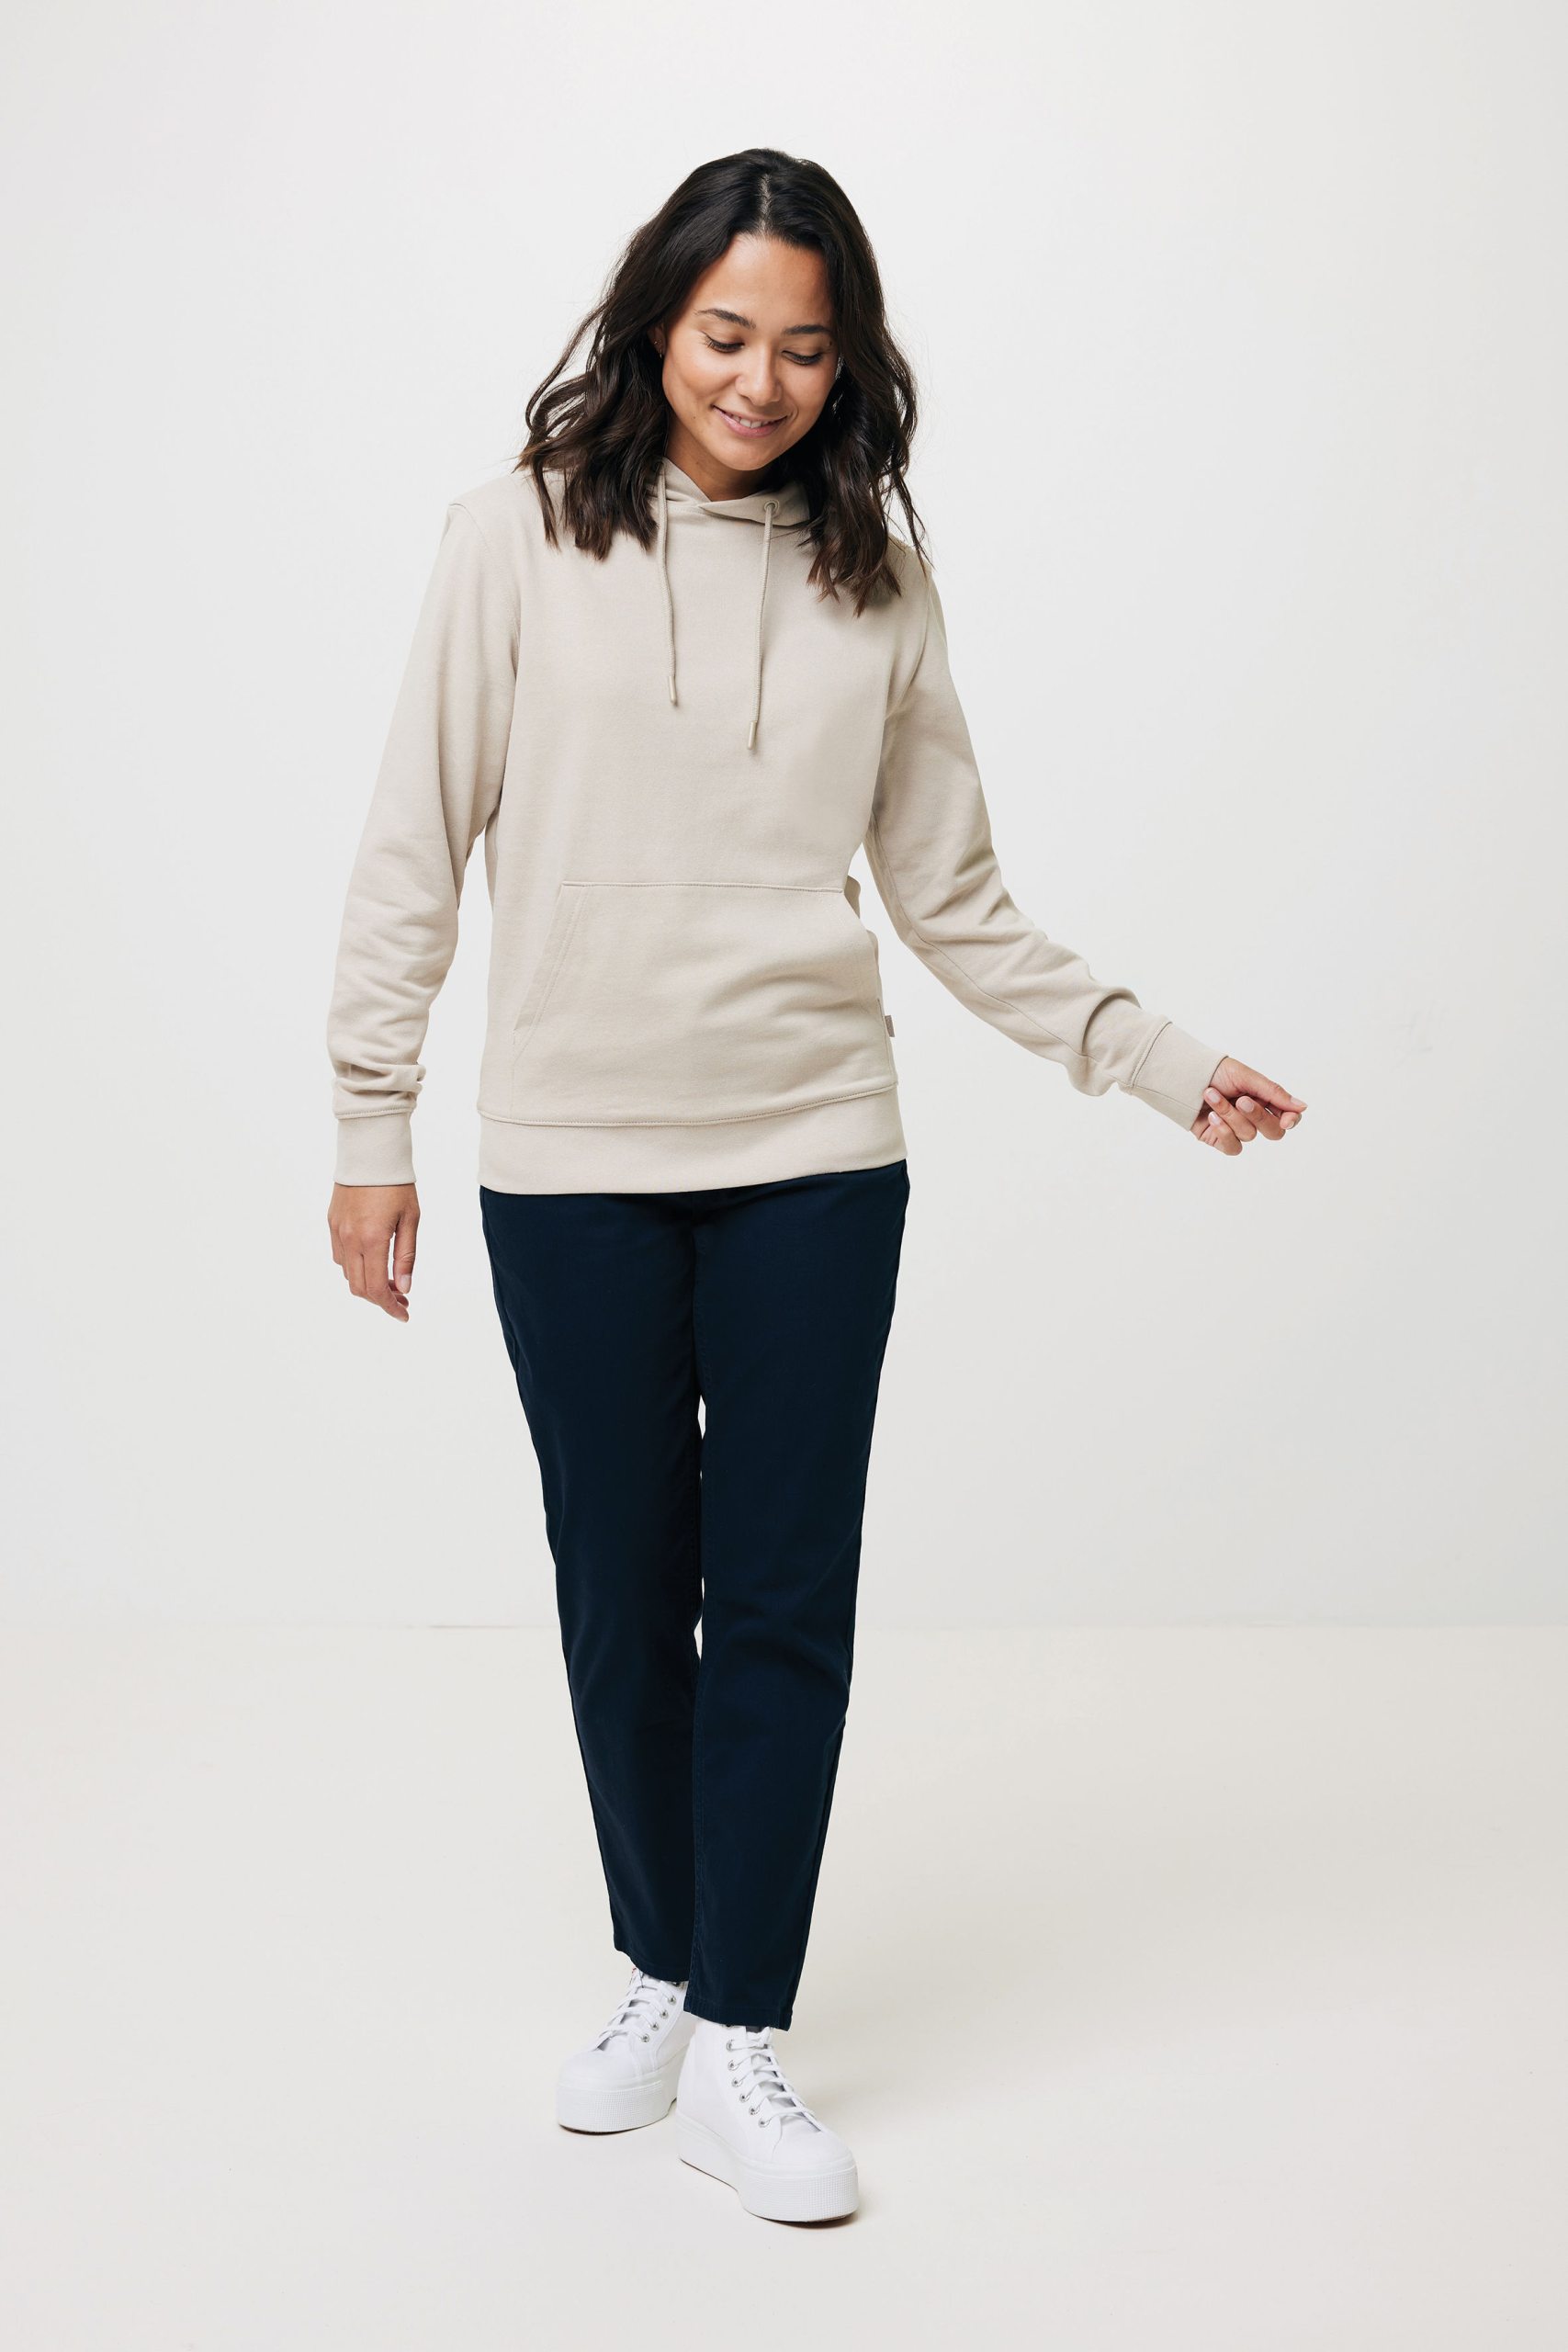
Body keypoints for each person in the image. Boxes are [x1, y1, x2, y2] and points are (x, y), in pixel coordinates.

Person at [324, 146, 1306, 2227]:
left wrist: (1153, 1055)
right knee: (621, 1588)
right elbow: (414, 843)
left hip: (814, 1159)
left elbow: (954, 896)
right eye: (723, 335)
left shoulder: (875, 575)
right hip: (572, 1158)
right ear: (654, 322)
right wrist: (366, 1125)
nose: (757, 381)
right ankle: (659, 1963)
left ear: (845, 361)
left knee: (780, 1596)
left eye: (801, 346)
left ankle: (742, 2033)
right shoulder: (510, 541)